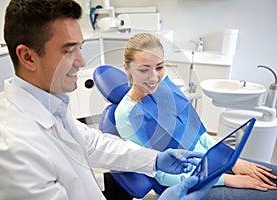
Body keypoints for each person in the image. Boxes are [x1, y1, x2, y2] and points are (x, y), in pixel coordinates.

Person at [0, 1, 217, 199]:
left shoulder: (51, 107)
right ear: (27, 57)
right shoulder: (8, 152)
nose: (82, 62)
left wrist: (155, 159)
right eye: (69, 50)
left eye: (80, 48)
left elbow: (93, 144)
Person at [114, 32, 277, 199]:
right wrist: (225, 179)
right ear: (127, 68)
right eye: (144, 69)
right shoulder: (126, 115)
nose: (154, 77)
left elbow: (200, 136)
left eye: (160, 67)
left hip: (213, 164)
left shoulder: (165, 88)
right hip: (185, 183)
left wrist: (231, 161)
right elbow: (159, 172)